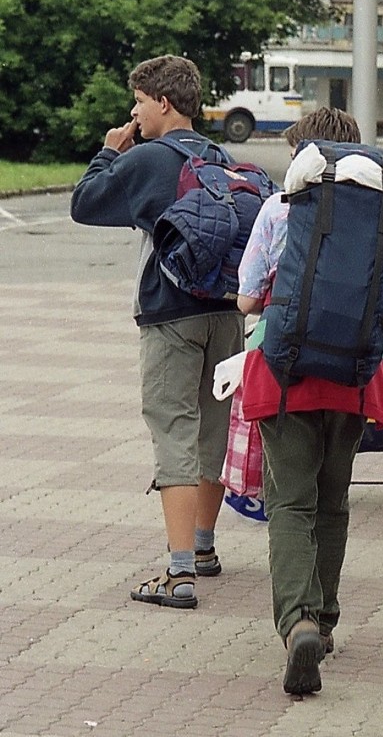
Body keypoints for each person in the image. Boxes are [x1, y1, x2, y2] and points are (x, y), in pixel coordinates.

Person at [70, 54, 245, 609]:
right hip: (226, 311)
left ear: (164, 102)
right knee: (213, 429)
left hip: (171, 314)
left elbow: (85, 204)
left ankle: (178, 573)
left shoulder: (147, 159)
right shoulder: (221, 157)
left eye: (140, 102)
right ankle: (204, 544)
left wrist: (108, 151)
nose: (134, 112)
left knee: (172, 429)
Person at [236, 107, 383, 696]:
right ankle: (326, 620)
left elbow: (248, 300)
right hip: (354, 378)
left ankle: (298, 620)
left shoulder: (281, 208)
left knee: (290, 504)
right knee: (333, 503)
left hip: (286, 376)